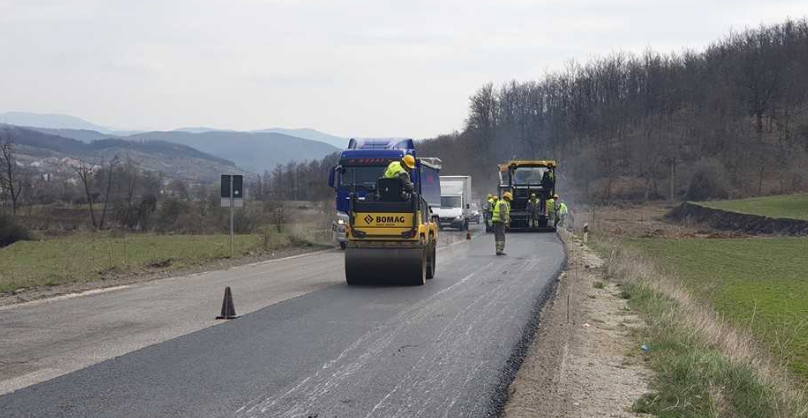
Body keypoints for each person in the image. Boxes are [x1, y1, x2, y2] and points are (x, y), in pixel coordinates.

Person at [492, 191, 512, 256]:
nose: (509, 200)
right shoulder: (503, 203)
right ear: (506, 198)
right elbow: (502, 213)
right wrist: (505, 221)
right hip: (500, 222)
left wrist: (508, 218)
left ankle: (498, 250)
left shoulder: (500, 202)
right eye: (509, 199)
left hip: (496, 221)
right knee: (501, 236)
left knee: (497, 236)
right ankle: (500, 250)